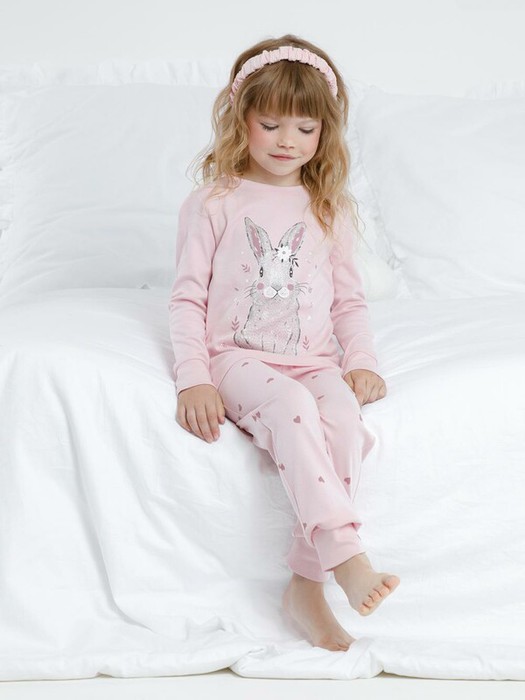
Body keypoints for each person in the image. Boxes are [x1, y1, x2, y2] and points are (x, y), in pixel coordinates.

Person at [168, 34, 400, 652]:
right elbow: (187, 298)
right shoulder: (214, 203)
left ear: (325, 132)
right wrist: (194, 377)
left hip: (313, 359)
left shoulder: (327, 208)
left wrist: (362, 362)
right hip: (236, 358)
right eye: (270, 124)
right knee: (294, 408)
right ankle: (346, 557)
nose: (286, 141)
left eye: (304, 127)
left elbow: (348, 303)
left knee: (343, 418)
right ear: (240, 118)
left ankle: (304, 583)